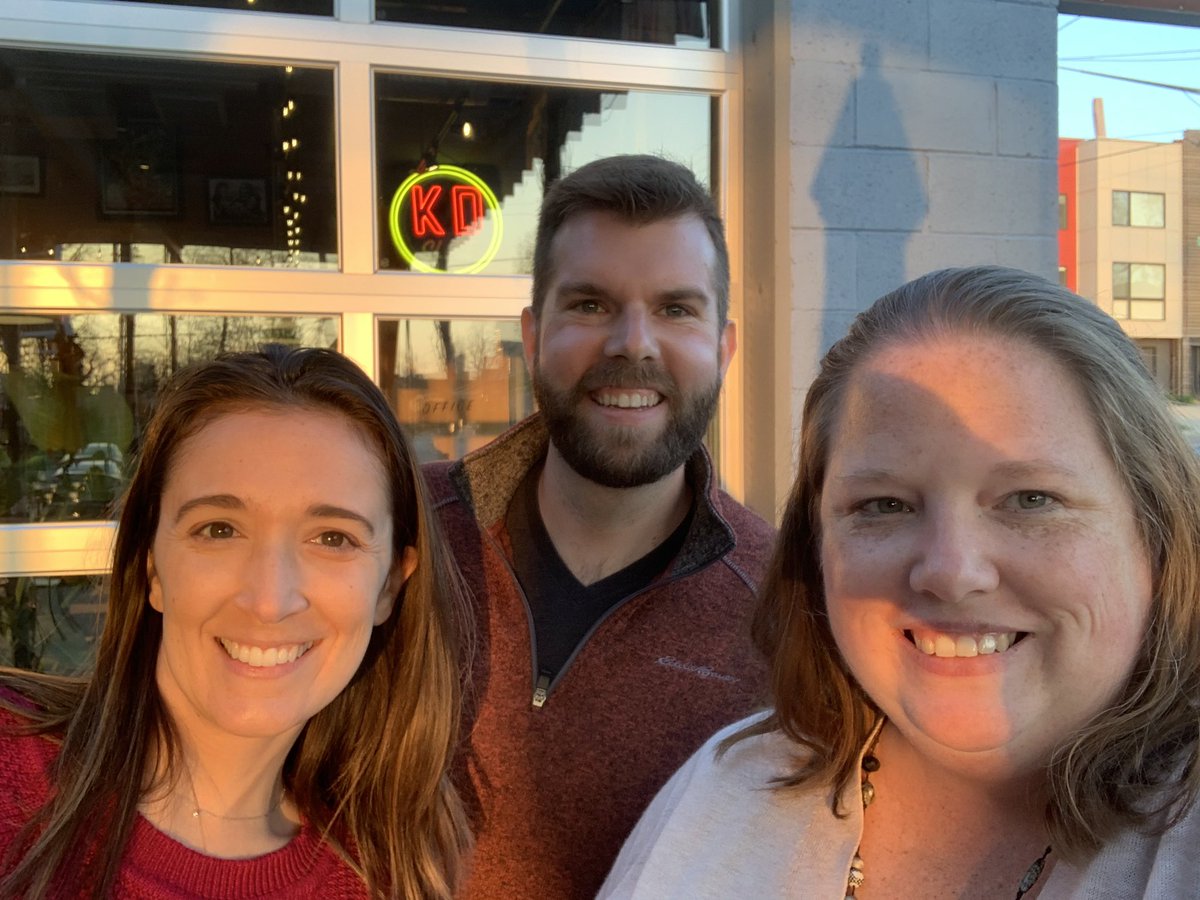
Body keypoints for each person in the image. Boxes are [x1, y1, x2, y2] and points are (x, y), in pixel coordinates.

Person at [600, 265, 1200, 898]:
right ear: (816, 547)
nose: (949, 571)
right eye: (884, 505)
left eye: (1030, 498)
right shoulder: (729, 791)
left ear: (1157, 536)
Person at [423, 154, 776, 898]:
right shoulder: (403, 536)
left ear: (725, 347)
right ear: (531, 332)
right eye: (590, 304)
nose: (632, 344)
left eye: (677, 309)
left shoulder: (785, 612)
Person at [0, 346, 471, 899]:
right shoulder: (12, 767)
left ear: (390, 586)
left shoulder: (387, 876)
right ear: (152, 566)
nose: (269, 600)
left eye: (333, 539)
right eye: (219, 529)